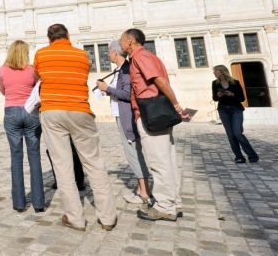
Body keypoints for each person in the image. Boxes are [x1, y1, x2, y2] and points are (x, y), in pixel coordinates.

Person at [34, 24, 117, 231]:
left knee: (63, 166)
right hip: (80, 109)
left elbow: (38, 77)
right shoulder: (82, 55)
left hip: (52, 110)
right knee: (94, 164)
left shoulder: (41, 54)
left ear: (49, 38)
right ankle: (107, 218)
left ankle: (75, 219)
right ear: (68, 36)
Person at [120, 28, 188, 222]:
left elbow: (159, 81)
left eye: (122, 40)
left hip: (151, 112)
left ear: (130, 42)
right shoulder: (149, 56)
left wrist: (176, 104)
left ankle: (164, 206)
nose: (121, 44)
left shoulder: (140, 57)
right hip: (157, 112)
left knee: (159, 161)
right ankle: (173, 202)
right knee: (167, 159)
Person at [95, 40, 151, 204]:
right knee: (132, 151)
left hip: (126, 116)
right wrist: (108, 91)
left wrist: (107, 89)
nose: (107, 55)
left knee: (133, 151)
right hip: (120, 114)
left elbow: (127, 94)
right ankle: (142, 188)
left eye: (108, 51)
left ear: (114, 53)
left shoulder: (126, 70)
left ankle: (144, 192)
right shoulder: (119, 70)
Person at [0, 40, 45, 213]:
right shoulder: (33, 70)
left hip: (11, 112)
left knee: (16, 158)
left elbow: (3, 90)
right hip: (31, 112)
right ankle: (39, 203)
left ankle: (19, 203)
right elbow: (37, 89)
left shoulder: (2, 70)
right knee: (34, 157)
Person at [212, 65, 259, 164]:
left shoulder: (235, 82)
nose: (214, 73)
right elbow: (215, 99)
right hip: (223, 110)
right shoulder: (214, 83)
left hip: (236, 110)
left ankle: (252, 155)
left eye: (215, 71)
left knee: (237, 133)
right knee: (230, 135)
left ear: (221, 71)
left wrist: (232, 94)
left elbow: (242, 98)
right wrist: (218, 95)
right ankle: (239, 157)